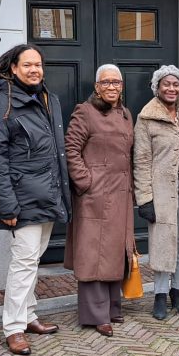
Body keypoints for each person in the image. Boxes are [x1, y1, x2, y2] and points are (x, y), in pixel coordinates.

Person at [0, 44, 71, 355]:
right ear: (13, 69)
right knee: (23, 263)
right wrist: (6, 205)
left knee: (33, 262)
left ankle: (29, 316)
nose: (34, 70)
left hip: (47, 193)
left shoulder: (48, 98)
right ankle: (13, 327)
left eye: (38, 65)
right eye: (27, 65)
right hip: (21, 198)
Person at [64, 64, 135, 337]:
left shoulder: (126, 113)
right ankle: (95, 314)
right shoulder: (85, 111)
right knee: (94, 253)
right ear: (96, 86)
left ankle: (112, 307)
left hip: (120, 193)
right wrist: (86, 182)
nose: (111, 87)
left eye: (116, 82)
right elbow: (71, 148)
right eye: (105, 82)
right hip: (94, 195)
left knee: (116, 251)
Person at [134, 65, 179, 320]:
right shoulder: (146, 118)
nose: (171, 88)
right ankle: (160, 295)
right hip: (162, 192)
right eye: (166, 84)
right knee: (162, 243)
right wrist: (145, 199)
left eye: (176, 84)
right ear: (157, 87)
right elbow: (141, 160)